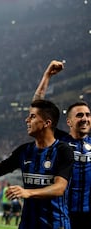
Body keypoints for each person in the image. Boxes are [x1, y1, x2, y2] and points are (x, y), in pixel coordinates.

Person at [0, 99, 74, 229]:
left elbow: (59, 188)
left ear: (47, 123)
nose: (27, 120)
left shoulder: (63, 150)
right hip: (27, 224)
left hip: (55, 224)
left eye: (32, 116)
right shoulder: (24, 151)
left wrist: (28, 192)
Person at [33, 60, 91, 229]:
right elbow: (37, 108)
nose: (85, 118)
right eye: (79, 115)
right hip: (62, 214)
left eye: (88, 115)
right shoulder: (59, 141)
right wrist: (47, 76)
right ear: (69, 121)